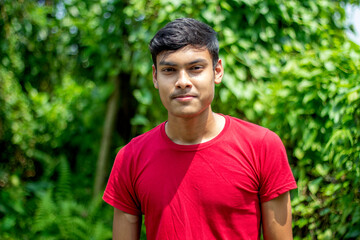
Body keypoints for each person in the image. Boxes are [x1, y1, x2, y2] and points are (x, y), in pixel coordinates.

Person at [103, 18, 297, 240]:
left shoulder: (263, 147)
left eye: (195, 68)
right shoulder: (130, 157)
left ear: (217, 71)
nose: (182, 81)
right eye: (169, 70)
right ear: (155, 77)